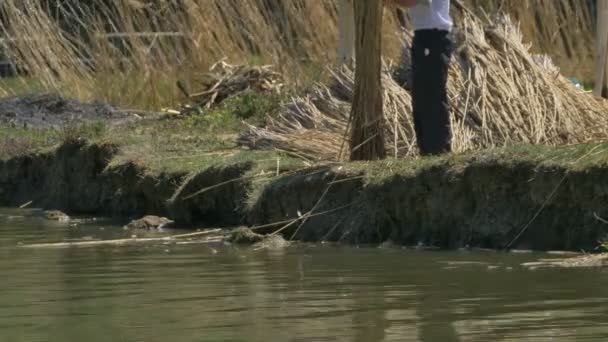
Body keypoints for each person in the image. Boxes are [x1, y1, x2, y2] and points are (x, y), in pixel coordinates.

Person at [386, 0, 453, 155]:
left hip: (434, 36)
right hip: (423, 36)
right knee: (421, 94)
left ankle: (439, 147)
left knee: (432, 93)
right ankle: (426, 148)